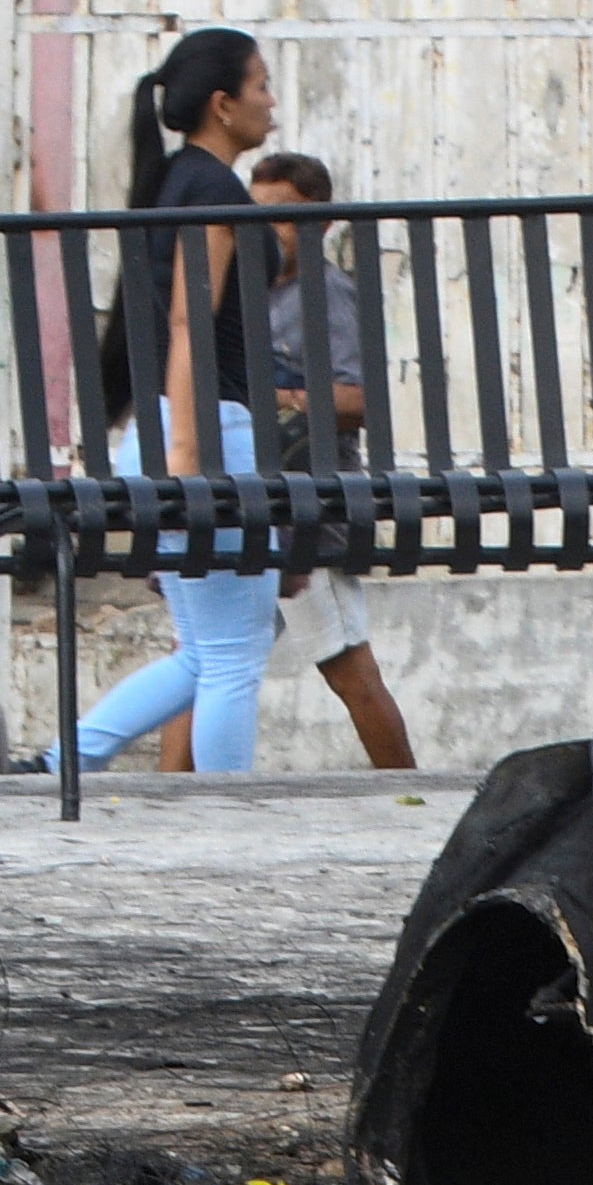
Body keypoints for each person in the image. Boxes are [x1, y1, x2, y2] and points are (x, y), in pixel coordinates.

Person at [38, 28, 284, 777]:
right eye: (261, 84)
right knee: (235, 654)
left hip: (164, 428)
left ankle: (64, 760)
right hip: (208, 434)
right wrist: (188, 461)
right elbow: (190, 319)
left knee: (211, 649)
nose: (271, 100)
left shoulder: (174, 180)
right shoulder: (211, 189)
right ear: (222, 103)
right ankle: (224, 819)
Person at [245, 153, 413, 771]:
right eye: (253, 215)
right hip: (249, 498)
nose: (265, 232)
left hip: (309, 501)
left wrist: (278, 396)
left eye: (282, 219)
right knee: (206, 662)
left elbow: (359, 400)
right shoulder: (242, 293)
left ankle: (407, 792)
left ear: (317, 224)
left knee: (349, 667)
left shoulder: (328, 298)